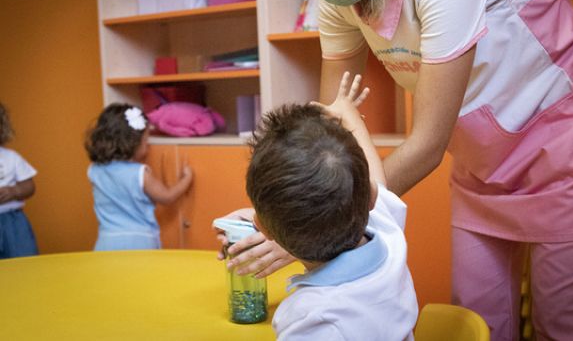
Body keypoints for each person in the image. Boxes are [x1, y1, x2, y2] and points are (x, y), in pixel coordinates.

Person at [229, 0, 573, 339]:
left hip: (569, 146)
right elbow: (329, 131)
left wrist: (305, 225)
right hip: (481, 158)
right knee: (476, 322)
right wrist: (284, 210)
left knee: (567, 328)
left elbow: (426, 145)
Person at [216, 73, 418, 340]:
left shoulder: (314, 319)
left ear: (263, 228)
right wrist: (348, 114)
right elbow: (375, 177)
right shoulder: (388, 234)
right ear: (371, 198)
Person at [85, 103, 193, 250]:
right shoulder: (139, 173)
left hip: (106, 241)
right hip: (140, 243)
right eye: (145, 140)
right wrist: (187, 178)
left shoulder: (94, 170)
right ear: (132, 143)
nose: (148, 145)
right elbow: (167, 197)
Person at [0, 102, 38, 259]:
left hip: (12, 222)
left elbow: (29, 186)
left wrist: (14, 191)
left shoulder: (11, 157)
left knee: (23, 261)